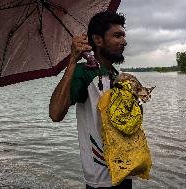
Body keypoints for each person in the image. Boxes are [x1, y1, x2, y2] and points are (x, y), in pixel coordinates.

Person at [49, 11, 129, 188]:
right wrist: (72, 61)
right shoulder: (84, 72)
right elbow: (55, 114)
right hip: (101, 179)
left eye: (123, 35)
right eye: (117, 36)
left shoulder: (117, 75)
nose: (124, 41)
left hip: (125, 171)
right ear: (98, 40)